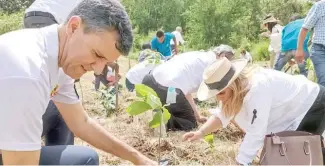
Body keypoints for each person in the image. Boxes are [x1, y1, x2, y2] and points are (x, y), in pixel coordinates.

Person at [0, 0, 156, 165]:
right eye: (96, 54)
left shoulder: (58, 59)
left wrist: (137, 158)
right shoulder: (28, 73)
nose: (97, 71)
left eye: (106, 62)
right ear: (74, 27)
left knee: (84, 157)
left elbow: (82, 123)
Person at [183, 57, 325, 165]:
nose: (219, 99)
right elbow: (223, 114)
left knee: (297, 154)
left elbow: (256, 132)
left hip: (311, 104)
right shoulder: (238, 89)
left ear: (233, 85)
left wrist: (241, 161)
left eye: (221, 93)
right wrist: (200, 132)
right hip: (289, 111)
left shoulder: (258, 88)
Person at [142, 44, 235, 131]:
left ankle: (158, 113)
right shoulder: (212, 66)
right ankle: (163, 122)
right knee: (190, 123)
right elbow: (220, 94)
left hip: (149, 80)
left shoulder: (200, 56)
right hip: (168, 89)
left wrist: (197, 116)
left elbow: (186, 91)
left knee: (177, 111)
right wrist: (226, 115)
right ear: (222, 57)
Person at [297, 1, 325, 86]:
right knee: (324, 81)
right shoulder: (320, 6)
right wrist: (299, 49)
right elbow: (305, 28)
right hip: (320, 51)